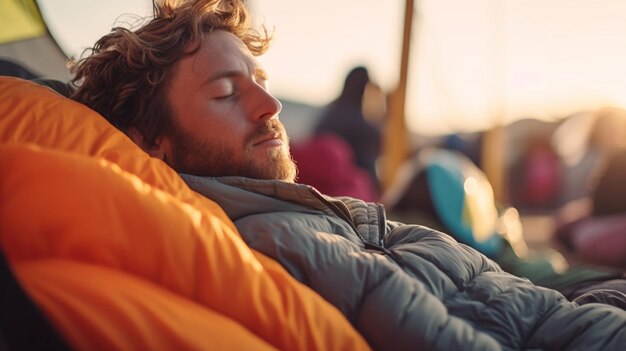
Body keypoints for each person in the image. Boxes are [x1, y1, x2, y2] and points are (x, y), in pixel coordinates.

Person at [69, 0, 625, 349]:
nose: (271, 104)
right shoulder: (276, 239)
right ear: (151, 144)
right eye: (224, 92)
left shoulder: (306, 214)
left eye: (259, 78)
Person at [314, 66, 383, 193]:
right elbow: (381, 141)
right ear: (365, 88)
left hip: (321, 186)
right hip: (350, 191)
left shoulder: (330, 112)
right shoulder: (360, 123)